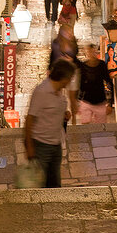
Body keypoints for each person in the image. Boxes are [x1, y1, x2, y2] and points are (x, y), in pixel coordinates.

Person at [24, 59, 75, 187]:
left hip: (55, 144)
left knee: (54, 185)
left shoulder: (59, 92)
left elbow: (51, 111)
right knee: (39, 185)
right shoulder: (42, 91)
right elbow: (30, 119)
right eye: (70, 78)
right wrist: (29, 147)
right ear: (64, 78)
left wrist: (64, 115)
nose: (70, 81)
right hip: (41, 145)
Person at [75, 43, 113, 124]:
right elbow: (80, 85)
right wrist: (77, 102)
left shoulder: (101, 65)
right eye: (88, 51)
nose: (90, 53)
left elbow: (108, 82)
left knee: (100, 127)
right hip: (86, 101)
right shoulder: (83, 66)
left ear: (95, 51)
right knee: (85, 125)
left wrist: (109, 103)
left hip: (100, 100)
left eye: (92, 51)